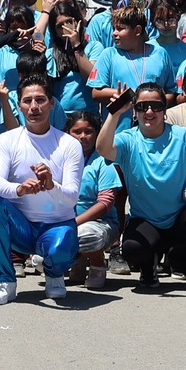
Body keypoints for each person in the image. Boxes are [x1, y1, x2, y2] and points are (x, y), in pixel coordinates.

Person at [95, 83, 186, 294]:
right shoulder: (128, 139)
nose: (149, 112)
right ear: (134, 110)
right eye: (142, 107)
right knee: (131, 249)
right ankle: (148, 267)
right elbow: (103, 149)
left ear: (164, 109)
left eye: (156, 106)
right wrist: (114, 114)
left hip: (180, 220)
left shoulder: (184, 137)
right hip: (147, 222)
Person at [0, 75, 83, 306]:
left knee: (60, 250)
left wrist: (51, 185)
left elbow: (71, 199)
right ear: (19, 105)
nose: (34, 107)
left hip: (56, 225)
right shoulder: (7, 140)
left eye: (40, 100)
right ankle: (4, 281)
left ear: (52, 103)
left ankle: (54, 272)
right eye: (27, 101)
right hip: (22, 228)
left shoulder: (69, 144)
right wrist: (19, 189)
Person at [67, 110, 120, 291]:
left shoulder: (104, 161)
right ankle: (78, 263)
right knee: (40, 260)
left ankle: (98, 266)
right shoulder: (60, 159)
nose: (83, 136)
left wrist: (74, 222)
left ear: (97, 133)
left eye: (88, 131)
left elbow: (105, 203)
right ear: (67, 133)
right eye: (77, 131)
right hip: (66, 220)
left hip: (100, 224)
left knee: (86, 235)